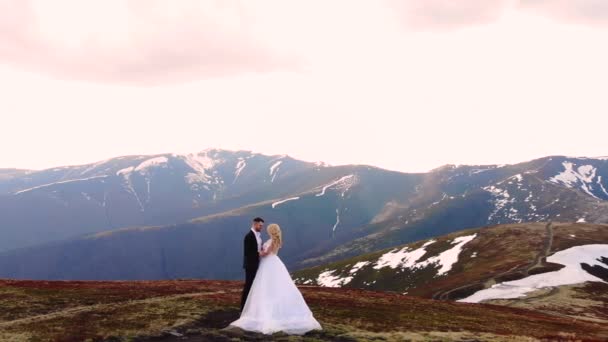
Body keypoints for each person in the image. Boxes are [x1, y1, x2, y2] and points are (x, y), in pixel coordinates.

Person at [230, 223, 322, 335]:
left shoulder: (272, 241)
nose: (267, 231)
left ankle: (264, 313)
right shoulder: (277, 240)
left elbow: (265, 254)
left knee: (265, 287)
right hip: (274, 263)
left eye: (269, 229)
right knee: (276, 287)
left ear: (271, 231)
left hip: (268, 264)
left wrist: (256, 253)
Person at [240, 217, 264, 312]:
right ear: (254, 224)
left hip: (256, 264)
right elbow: (247, 252)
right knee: (248, 286)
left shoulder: (258, 236)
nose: (261, 227)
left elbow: (257, 248)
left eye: (262, 225)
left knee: (253, 286)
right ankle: (243, 308)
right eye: (260, 225)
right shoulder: (249, 236)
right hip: (250, 265)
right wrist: (259, 253)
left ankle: (250, 307)